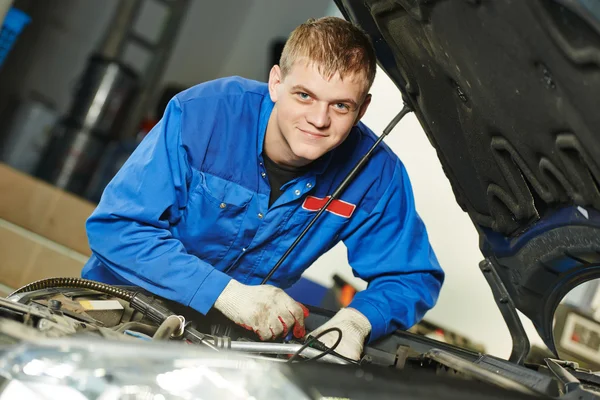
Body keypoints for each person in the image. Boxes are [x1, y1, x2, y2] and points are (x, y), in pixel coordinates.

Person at [82, 16, 444, 360]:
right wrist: (225, 292)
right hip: (117, 311)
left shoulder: (374, 174)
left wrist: (357, 321)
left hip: (223, 349)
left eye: (340, 105)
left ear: (362, 109)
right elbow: (118, 227)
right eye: (305, 95)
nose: (319, 120)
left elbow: (411, 276)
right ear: (276, 83)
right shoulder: (203, 116)